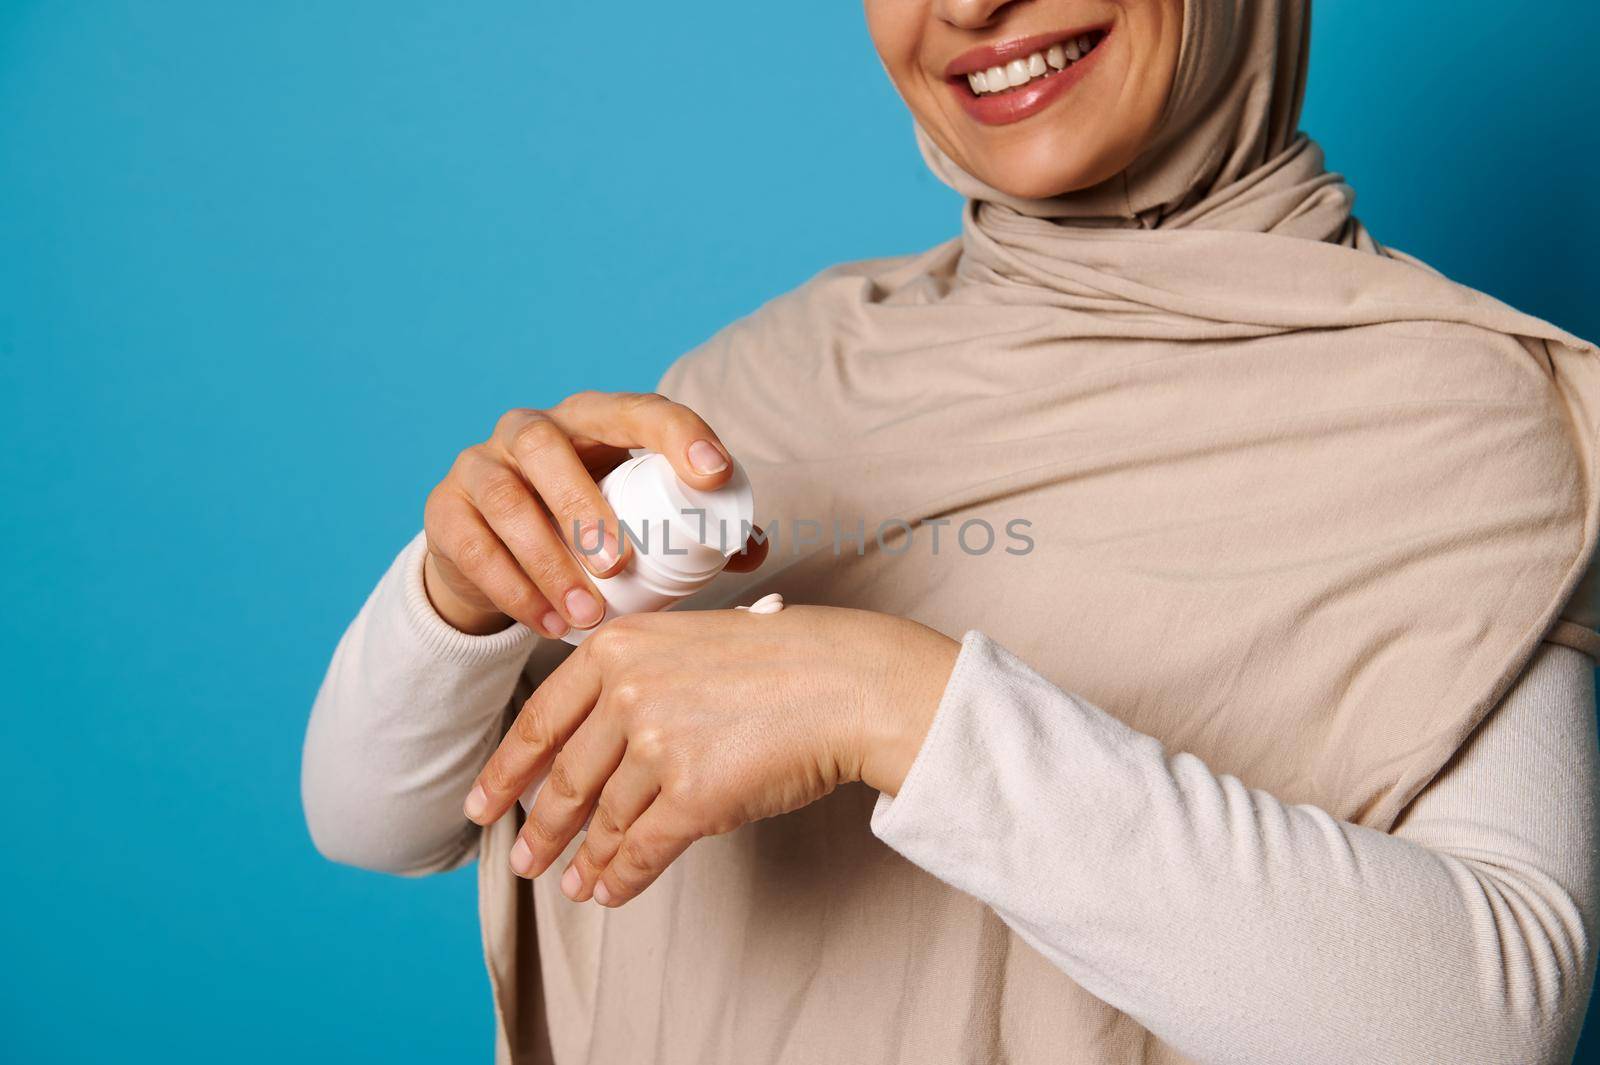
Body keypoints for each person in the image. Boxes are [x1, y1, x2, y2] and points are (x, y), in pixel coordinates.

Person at [302, 1, 1600, 1062]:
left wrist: (891, 703)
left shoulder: (1459, 416)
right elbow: (376, 821)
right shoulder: (777, 372)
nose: (972, 7)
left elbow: (1483, 1024)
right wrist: (458, 592)